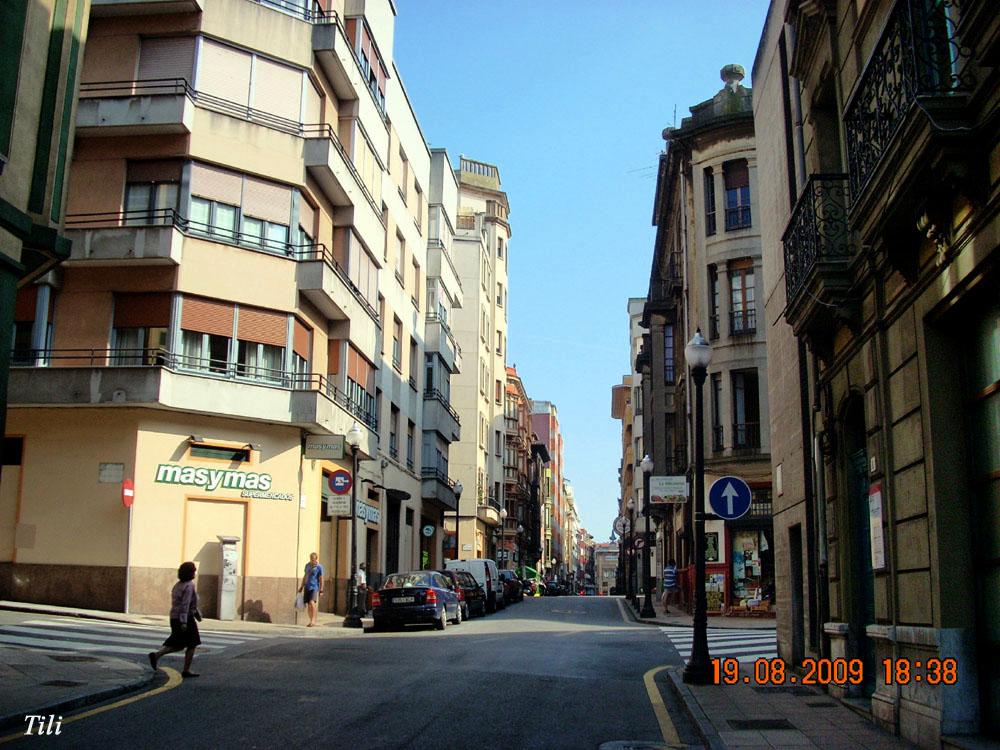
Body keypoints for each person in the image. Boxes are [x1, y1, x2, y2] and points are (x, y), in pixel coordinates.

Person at [149, 561, 203, 679]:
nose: (195, 573)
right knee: (192, 643)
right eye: (193, 571)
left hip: (174, 617)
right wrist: (184, 621)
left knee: (179, 644)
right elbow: (185, 604)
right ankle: (186, 670)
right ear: (190, 573)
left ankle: (157, 655)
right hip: (185, 618)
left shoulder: (178, 585)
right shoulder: (189, 585)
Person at [298, 552, 324, 627]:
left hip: (314, 587)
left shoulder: (319, 567)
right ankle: (310, 620)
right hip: (307, 587)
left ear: (316, 559)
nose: (311, 560)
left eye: (313, 559)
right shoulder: (307, 565)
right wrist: (301, 586)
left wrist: (321, 589)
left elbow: (321, 578)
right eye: (311, 559)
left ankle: (313, 620)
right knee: (308, 605)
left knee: (312, 603)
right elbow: (305, 576)